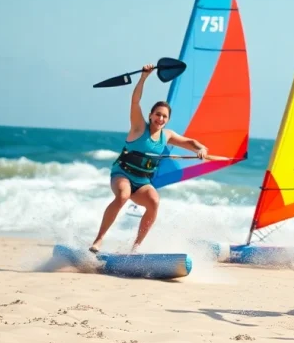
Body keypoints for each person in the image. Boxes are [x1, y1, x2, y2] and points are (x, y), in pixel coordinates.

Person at [89, 63, 209, 254]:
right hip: (122, 174)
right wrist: (144, 77)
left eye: (164, 117)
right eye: (158, 115)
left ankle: (135, 248)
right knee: (123, 195)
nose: (160, 119)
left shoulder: (167, 135)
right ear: (151, 115)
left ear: (167, 120)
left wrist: (201, 148)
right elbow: (135, 101)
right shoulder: (138, 127)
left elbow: (190, 142)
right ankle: (99, 240)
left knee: (154, 201)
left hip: (143, 181)